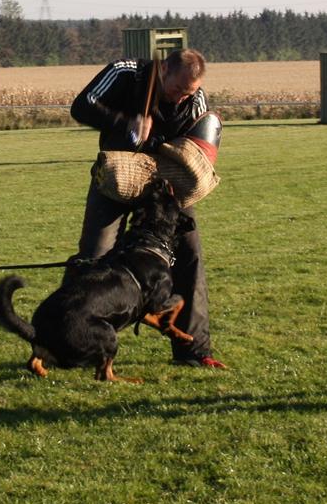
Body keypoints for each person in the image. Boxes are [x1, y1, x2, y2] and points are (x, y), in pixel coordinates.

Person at [69, 48, 225, 368]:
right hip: (115, 177)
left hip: (164, 187)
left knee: (189, 254)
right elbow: (81, 106)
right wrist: (127, 121)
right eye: (177, 89)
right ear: (164, 69)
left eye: (189, 92)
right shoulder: (126, 72)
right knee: (94, 257)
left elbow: (196, 145)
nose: (181, 98)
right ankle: (69, 340)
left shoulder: (196, 101)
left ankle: (194, 351)